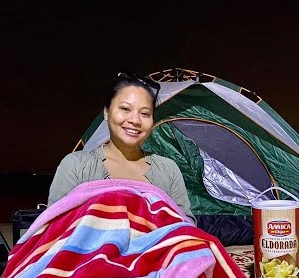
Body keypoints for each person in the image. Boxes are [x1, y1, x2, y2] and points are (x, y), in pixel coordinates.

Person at [47, 72, 195, 223]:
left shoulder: (168, 170)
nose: (135, 120)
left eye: (145, 113)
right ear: (106, 112)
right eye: (125, 109)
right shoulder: (76, 166)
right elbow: (54, 227)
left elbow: (185, 227)